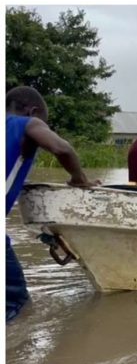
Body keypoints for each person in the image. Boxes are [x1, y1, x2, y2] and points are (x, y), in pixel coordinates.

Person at [6, 86, 100, 322]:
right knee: (16, 303)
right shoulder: (25, 124)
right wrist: (80, 180)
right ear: (32, 110)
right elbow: (62, 148)